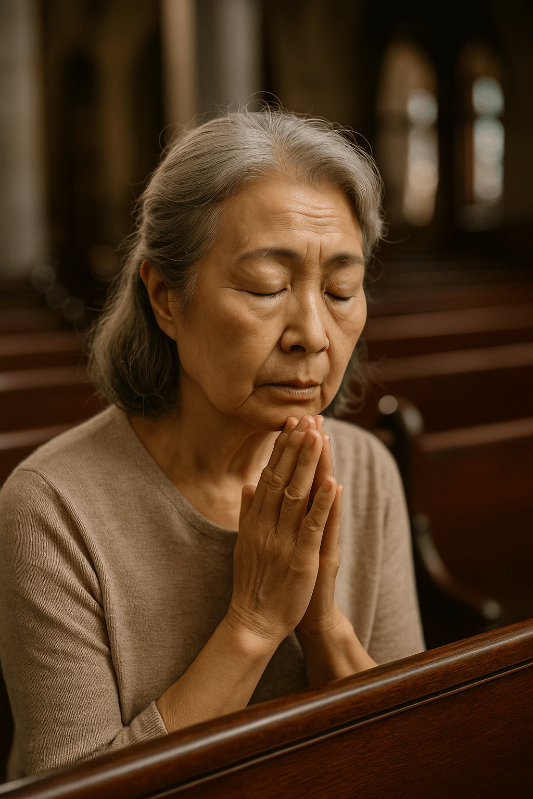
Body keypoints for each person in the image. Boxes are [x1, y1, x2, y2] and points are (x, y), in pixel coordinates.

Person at [0, 108, 424, 780]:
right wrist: (254, 621)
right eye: (266, 285)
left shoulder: (364, 467)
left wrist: (321, 626)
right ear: (166, 297)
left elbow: (414, 762)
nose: (312, 333)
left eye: (341, 289)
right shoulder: (51, 508)